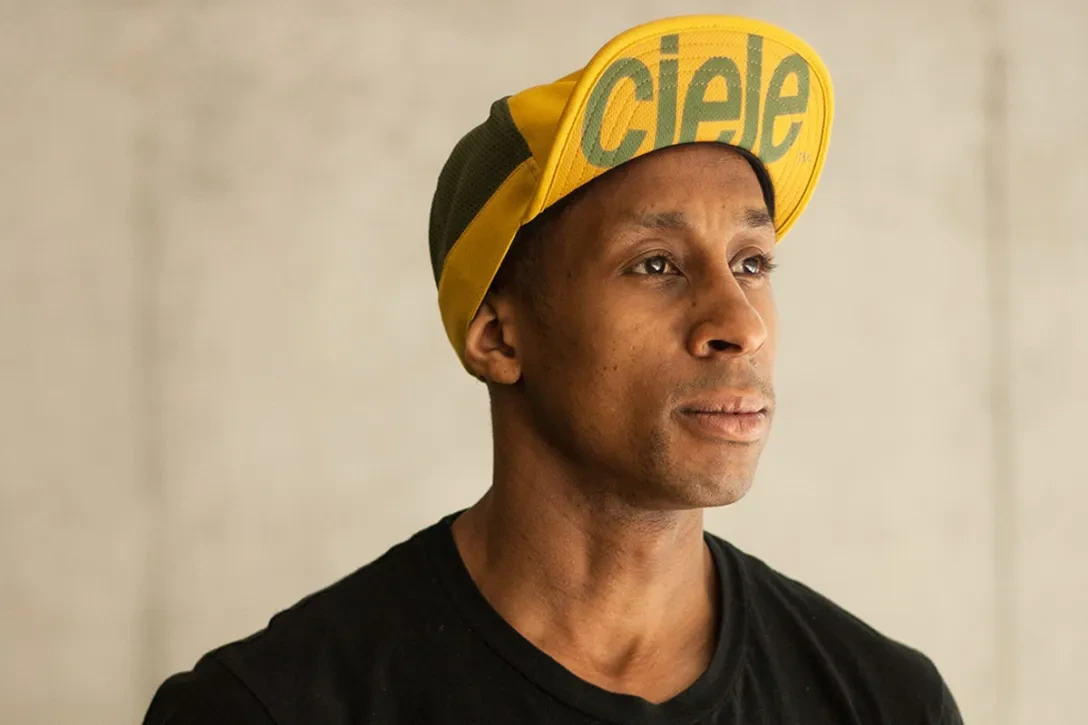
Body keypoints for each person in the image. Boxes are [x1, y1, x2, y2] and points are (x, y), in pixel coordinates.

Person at [143, 14, 963, 725]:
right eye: (655, 264)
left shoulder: (886, 701)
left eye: (752, 263)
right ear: (499, 338)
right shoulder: (268, 707)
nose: (740, 324)